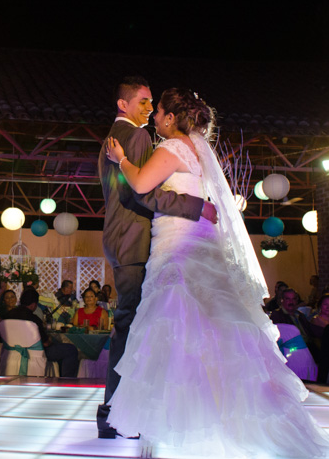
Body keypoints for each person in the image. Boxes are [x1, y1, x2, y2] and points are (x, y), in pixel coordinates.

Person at [104, 88, 329, 457]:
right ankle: (229, 414)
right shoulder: (200, 151)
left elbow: (141, 184)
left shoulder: (173, 147)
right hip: (202, 241)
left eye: (159, 111)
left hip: (177, 243)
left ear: (170, 117)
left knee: (177, 324)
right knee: (215, 323)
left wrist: (121, 159)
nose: (155, 117)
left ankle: (185, 423)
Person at [96, 77, 217, 440]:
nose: (150, 109)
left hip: (125, 238)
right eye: (143, 101)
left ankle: (122, 410)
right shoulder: (136, 137)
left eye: (153, 103)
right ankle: (114, 412)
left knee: (140, 324)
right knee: (131, 325)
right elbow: (141, 192)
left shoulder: (116, 137)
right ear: (123, 105)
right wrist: (195, 206)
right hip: (132, 239)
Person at [6, 288, 80, 377]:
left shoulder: (7, 316)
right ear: (34, 304)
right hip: (35, 353)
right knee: (70, 349)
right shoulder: (33, 319)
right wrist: (49, 339)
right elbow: (45, 343)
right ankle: (66, 381)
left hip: (12, 352)